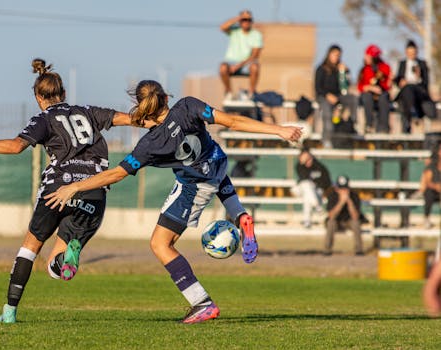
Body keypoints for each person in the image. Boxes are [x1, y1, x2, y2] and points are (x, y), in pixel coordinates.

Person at [45, 80, 302, 324]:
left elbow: (117, 174)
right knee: (214, 171)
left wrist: (75, 186)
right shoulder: (188, 105)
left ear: (143, 108)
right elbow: (232, 122)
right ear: (167, 97)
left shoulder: (150, 144)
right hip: (217, 162)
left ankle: (202, 303)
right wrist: (279, 130)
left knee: (160, 244)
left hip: (194, 186)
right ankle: (240, 215)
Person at [0, 58, 145, 324]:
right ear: (64, 93)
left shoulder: (45, 118)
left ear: (39, 98)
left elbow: (15, 146)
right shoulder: (88, 112)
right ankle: (67, 255)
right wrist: (159, 118)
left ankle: (9, 312)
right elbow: (131, 119)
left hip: (58, 190)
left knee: (30, 248)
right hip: (94, 192)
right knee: (55, 267)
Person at [315, 44, 358, 148]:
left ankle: (353, 123)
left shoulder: (340, 69)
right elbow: (318, 88)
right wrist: (328, 95)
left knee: (353, 99)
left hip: (338, 96)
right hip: (324, 97)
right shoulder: (321, 69)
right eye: (335, 55)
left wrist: (345, 72)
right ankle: (327, 139)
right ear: (329, 54)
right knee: (327, 114)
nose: (337, 57)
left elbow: (346, 87)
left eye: (339, 55)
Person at [219, 10, 263, 101]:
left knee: (255, 67)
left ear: (251, 21)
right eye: (244, 19)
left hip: (246, 63)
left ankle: (251, 93)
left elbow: (255, 55)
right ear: (240, 21)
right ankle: (229, 92)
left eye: (248, 19)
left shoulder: (256, 35)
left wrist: (239, 65)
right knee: (222, 68)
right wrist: (238, 18)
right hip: (231, 61)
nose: (246, 22)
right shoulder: (234, 31)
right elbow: (222, 27)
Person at [393, 40, 434, 133]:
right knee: (407, 90)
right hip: (405, 92)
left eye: (413, 53)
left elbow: (426, 82)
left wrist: (418, 77)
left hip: (419, 91)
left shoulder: (422, 64)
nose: (412, 55)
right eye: (409, 53)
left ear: (417, 52)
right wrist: (400, 82)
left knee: (410, 89)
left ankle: (411, 116)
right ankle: (412, 114)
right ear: (406, 52)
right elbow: (397, 80)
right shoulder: (402, 63)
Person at [291, 148, 332, 229]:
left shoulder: (319, 166)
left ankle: (307, 222)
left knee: (308, 196)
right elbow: (303, 177)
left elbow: (327, 181)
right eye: (305, 159)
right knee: (306, 184)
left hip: (315, 191)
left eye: (309, 158)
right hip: (300, 189)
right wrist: (303, 163)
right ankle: (317, 206)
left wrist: (318, 185)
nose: (308, 160)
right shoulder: (300, 166)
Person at [324, 175, 363, 256]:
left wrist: (349, 201)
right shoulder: (332, 196)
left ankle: (359, 250)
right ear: (337, 188)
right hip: (336, 221)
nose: (343, 191)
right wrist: (341, 202)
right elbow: (331, 216)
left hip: (349, 221)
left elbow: (355, 216)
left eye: (345, 188)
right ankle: (327, 250)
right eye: (341, 189)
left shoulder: (354, 196)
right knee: (330, 223)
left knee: (356, 223)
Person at [357, 44, 392, 133]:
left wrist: (386, 83)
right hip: (368, 95)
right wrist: (370, 88)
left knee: (384, 98)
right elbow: (360, 86)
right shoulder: (364, 69)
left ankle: (384, 127)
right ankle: (369, 125)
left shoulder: (384, 67)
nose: (366, 58)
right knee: (367, 96)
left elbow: (387, 86)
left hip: (381, 94)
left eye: (368, 56)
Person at [421, 145, 441, 229]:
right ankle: (427, 218)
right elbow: (427, 181)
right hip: (433, 190)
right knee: (429, 193)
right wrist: (436, 186)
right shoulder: (432, 165)